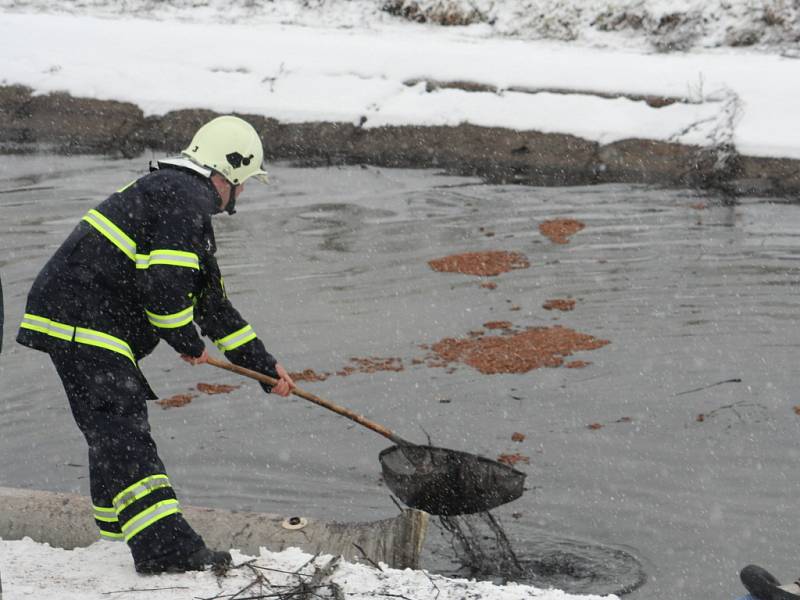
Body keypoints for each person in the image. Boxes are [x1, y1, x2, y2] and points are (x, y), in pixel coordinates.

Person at [16, 115, 295, 574]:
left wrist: (266, 370)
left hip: (80, 316)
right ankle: (167, 550)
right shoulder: (183, 197)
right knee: (122, 430)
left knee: (109, 429)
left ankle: (113, 535)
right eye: (243, 184)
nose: (240, 195)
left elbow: (211, 306)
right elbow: (165, 288)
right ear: (228, 171)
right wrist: (184, 340)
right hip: (83, 317)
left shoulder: (180, 200)